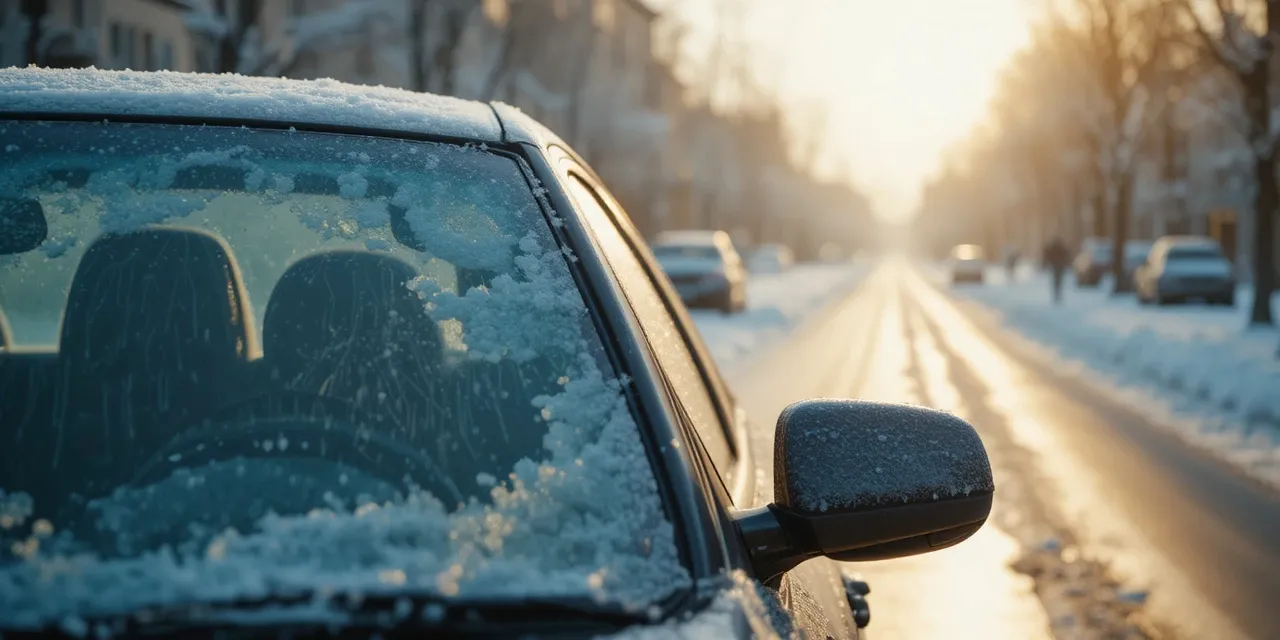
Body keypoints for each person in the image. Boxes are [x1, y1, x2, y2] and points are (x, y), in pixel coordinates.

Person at [1043, 237, 1071, 304]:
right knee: (1058, 281)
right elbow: (1066, 255)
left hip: (1056, 266)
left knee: (1056, 281)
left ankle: (1057, 295)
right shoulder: (1060, 249)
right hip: (1058, 266)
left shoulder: (1054, 249)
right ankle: (1058, 295)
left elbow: (1048, 255)